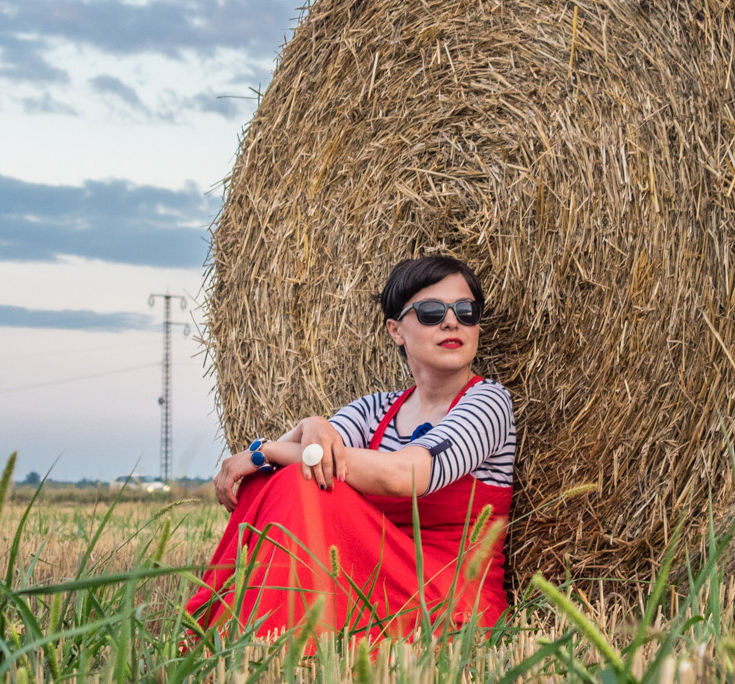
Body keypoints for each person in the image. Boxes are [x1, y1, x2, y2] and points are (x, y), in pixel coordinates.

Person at [186, 255, 517, 643]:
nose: (451, 322)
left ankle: (271, 638)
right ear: (395, 331)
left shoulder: (488, 402)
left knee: (294, 473)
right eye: (430, 312)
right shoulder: (375, 410)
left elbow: (405, 476)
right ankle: (260, 637)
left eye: (466, 311)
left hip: (447, 595)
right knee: (283, 483)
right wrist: (311, 425)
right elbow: (316, 450)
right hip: (371, 578)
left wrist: (271, 450)